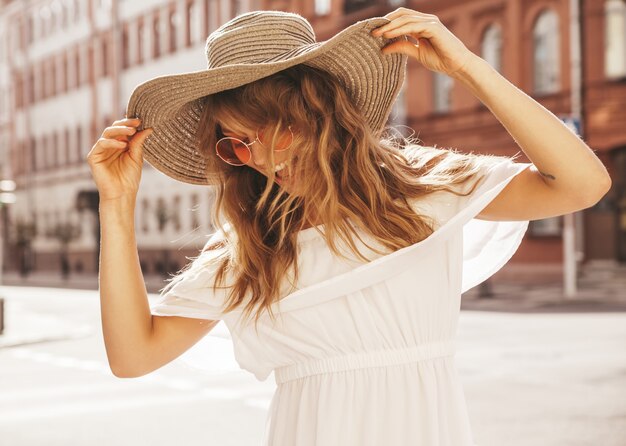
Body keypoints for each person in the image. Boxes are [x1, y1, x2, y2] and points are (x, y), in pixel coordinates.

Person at [86, 8, 611, 446]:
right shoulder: (250, 248)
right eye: (239, 143)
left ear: (324, 113)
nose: (265, 159)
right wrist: (117, 204)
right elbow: (133, 357)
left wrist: (469, 69)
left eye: (280, 130)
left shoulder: (420, 190)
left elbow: (581, 185)